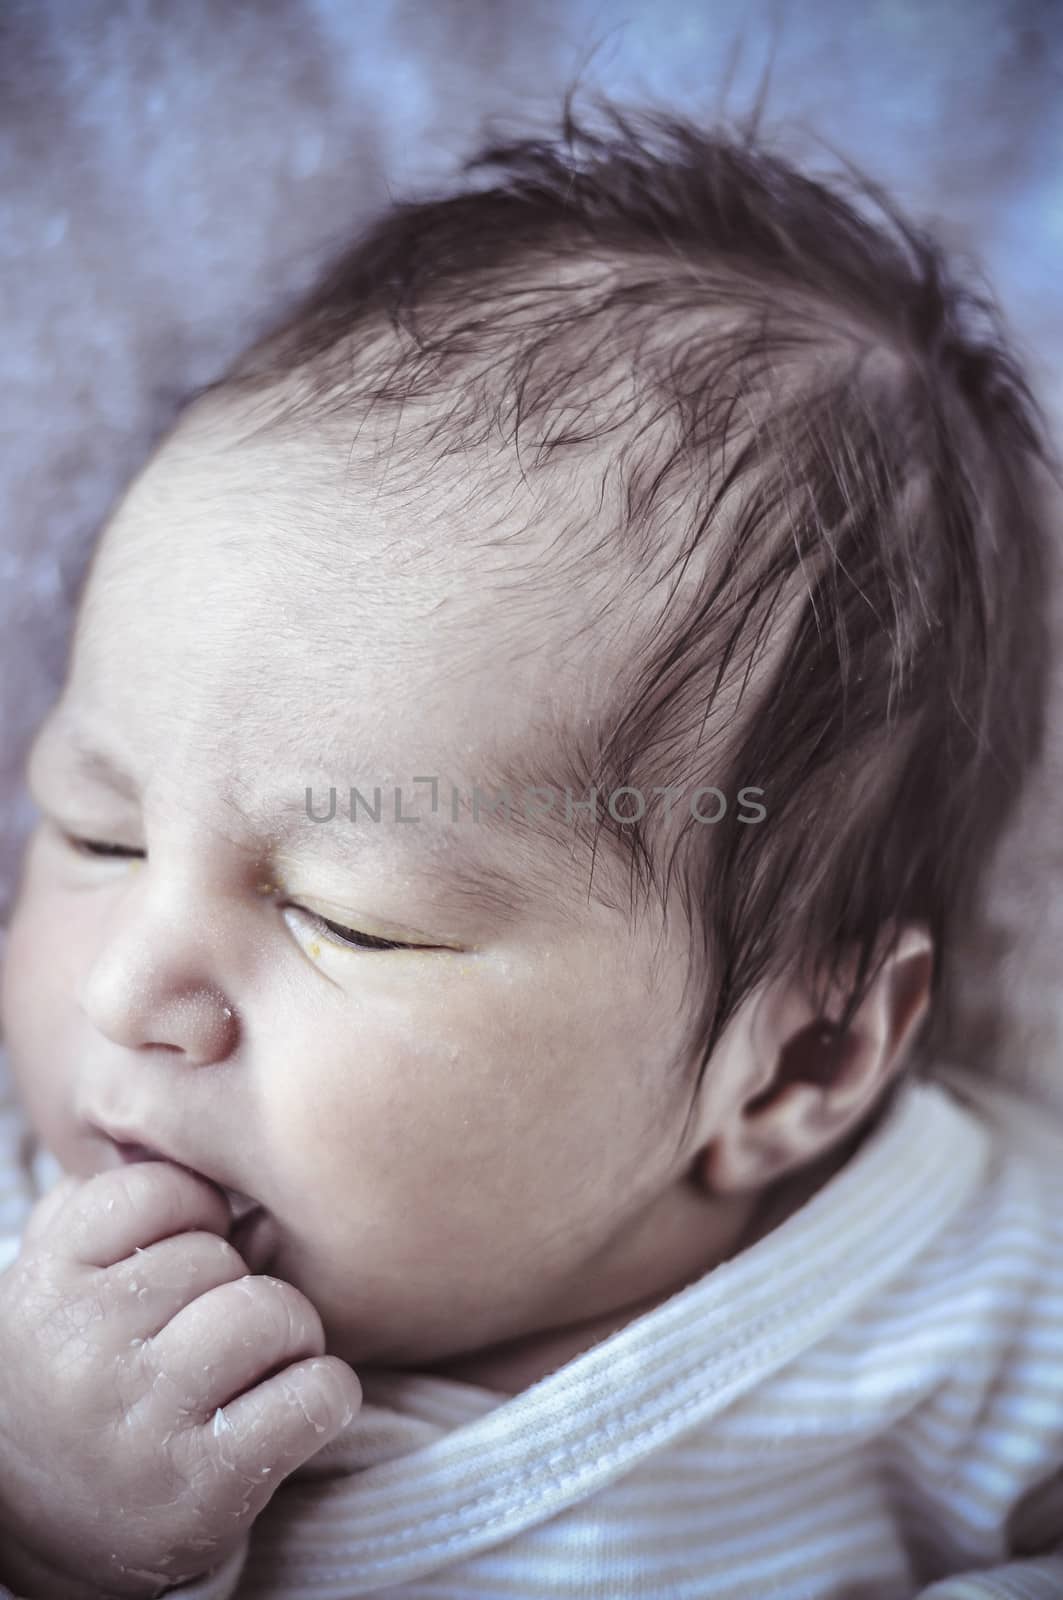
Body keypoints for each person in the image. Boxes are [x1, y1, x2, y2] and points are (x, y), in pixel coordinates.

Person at [1, 92, 1061, 1599]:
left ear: (803, 1060)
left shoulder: (966, 1295)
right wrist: (38, 1522)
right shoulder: (22, 1281)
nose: (128, 992)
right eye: (95, 831)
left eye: (348, 917)